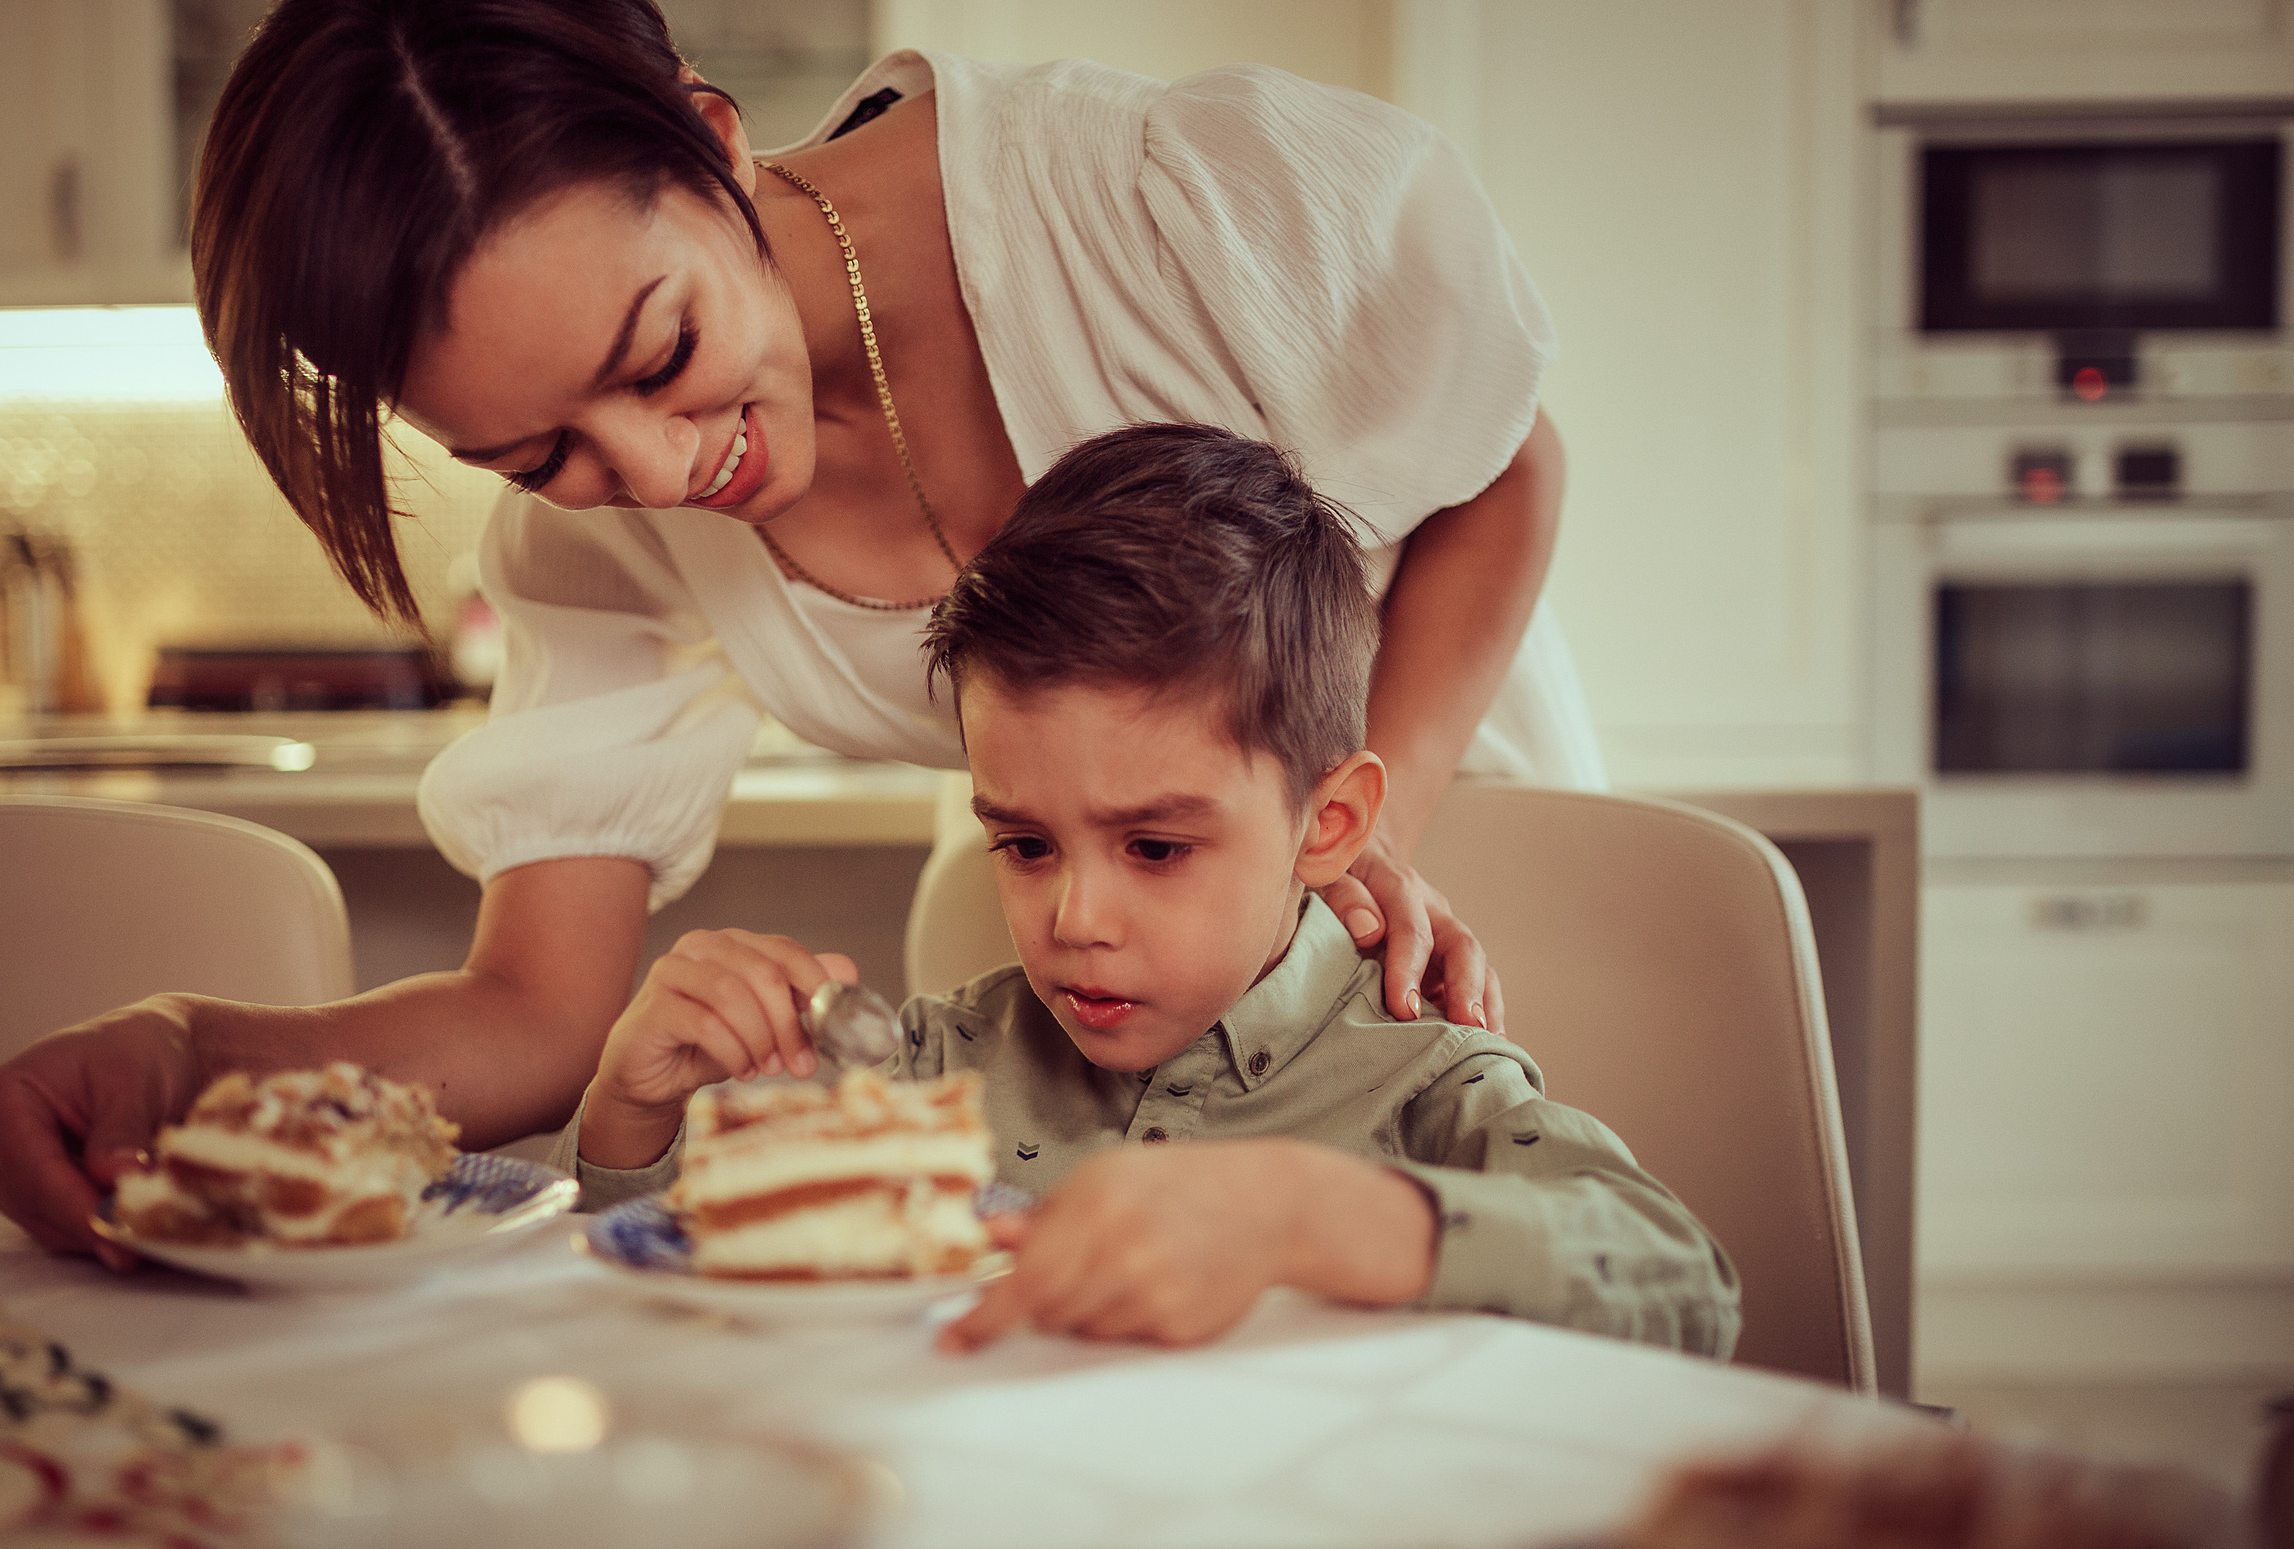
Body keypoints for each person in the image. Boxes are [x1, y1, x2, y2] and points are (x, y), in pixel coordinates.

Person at [0, 0, 1606, 1269]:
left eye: (661, 354)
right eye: (542, 453)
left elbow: (1501, 462)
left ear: (712, 138)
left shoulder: (1155, 199)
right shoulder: (595, 545)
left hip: (1445, 945)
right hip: (1147, 1036)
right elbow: (536, 1010)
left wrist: (1364, 819)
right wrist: (183, 1058)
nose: (662, 471)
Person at [570, 425, 1736, 1355]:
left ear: (1326, 826)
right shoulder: (920, 1076)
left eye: (1157, 848)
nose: (1075, 924)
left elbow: (1684, 1283)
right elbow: (700, 1311)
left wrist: (1310, 1217)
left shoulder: (1424, 1083)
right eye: (1025, 846)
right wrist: (637, 1120)